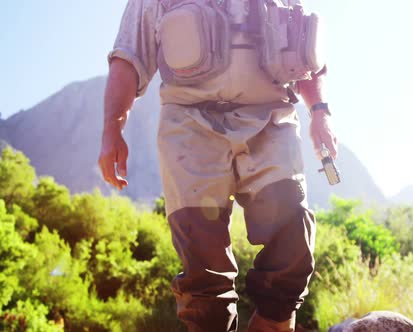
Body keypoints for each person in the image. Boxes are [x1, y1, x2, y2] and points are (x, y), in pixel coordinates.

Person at [98, 0, 337, 331]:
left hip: (271, 120)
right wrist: (113, 127)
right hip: (189, 126)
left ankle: (271, 323)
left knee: (293, 242)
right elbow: (128, 57)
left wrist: (320, 111)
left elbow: (308, 57)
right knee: (204, 271)